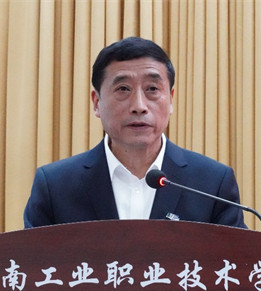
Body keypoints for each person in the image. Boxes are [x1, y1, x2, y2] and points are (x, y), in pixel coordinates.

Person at [23, 36, 246, 229]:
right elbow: (30, 262)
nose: (139, 106)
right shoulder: (55, 186)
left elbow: (237, 262)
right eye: (123, 89)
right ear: (97, 102)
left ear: (170, 100)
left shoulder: (211, 184)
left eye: (152, 89)